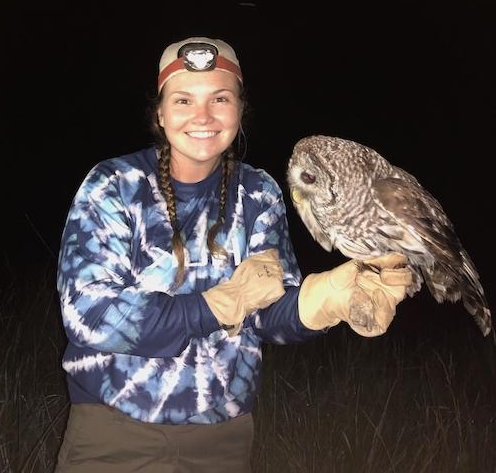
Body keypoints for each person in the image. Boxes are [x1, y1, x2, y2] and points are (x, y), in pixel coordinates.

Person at [54, 36, 412, 472]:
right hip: (112, 435)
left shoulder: (258, 192)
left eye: (220, 99)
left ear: (240, 110)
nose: (202, 116)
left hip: (223, 441)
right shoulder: (115, 184)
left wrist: (323, 300)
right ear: (160, 114)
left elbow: (265, 313)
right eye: (184, 100)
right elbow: (88, 312)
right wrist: (215, 305)